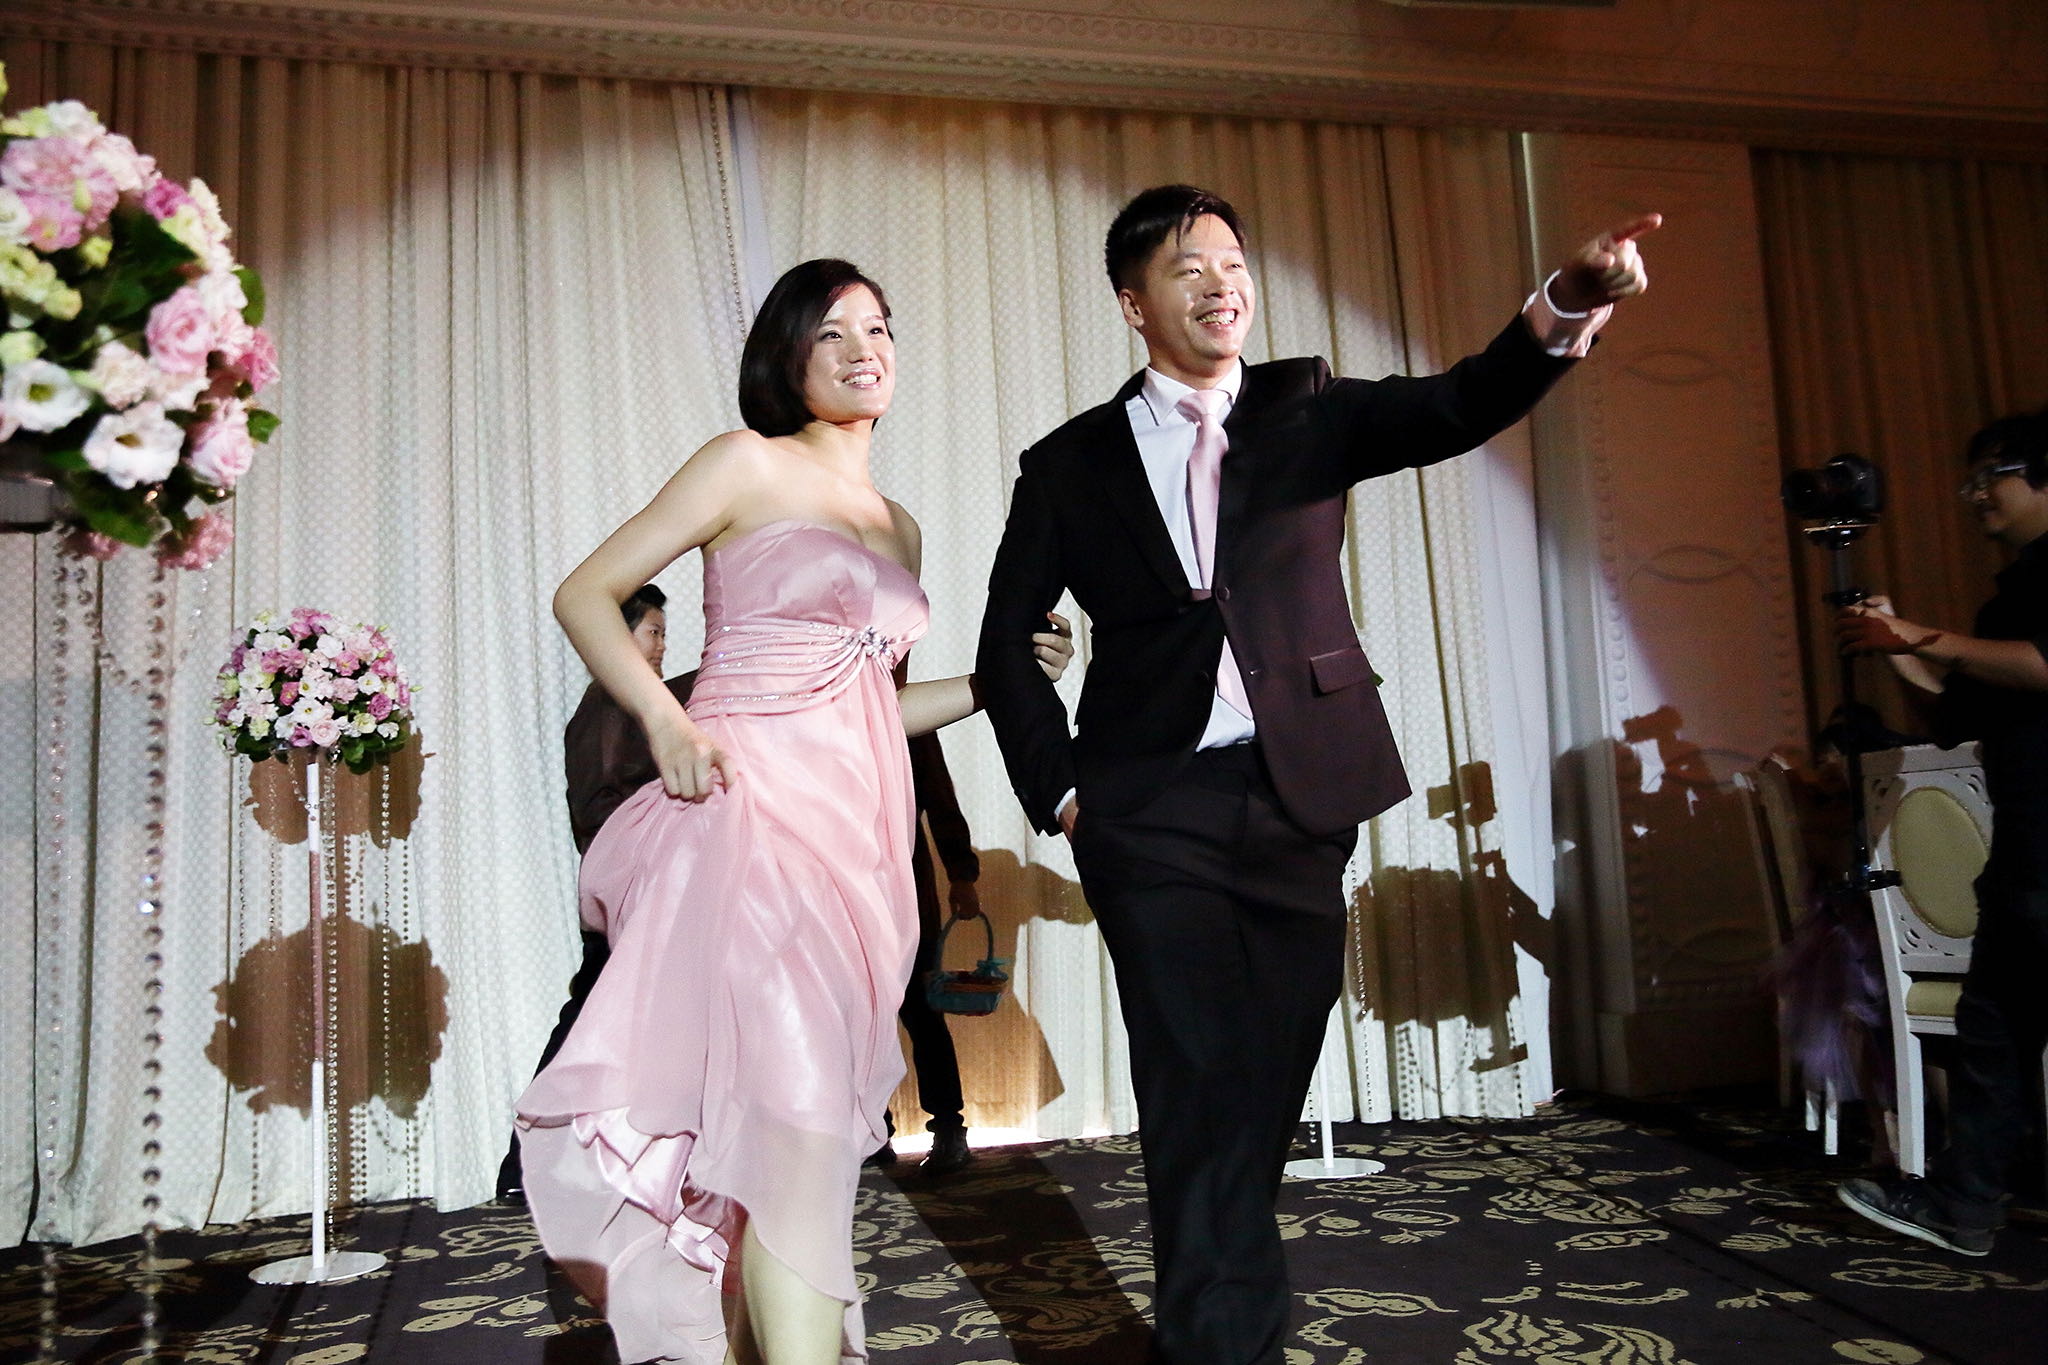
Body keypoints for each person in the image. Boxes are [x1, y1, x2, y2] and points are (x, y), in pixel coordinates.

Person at [975, 183, 1656, 1364]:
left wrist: (1565, 301)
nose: (1219, 284)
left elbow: (1461, 401)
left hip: (1300, 793)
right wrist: (1067, 797)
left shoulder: (1307, 409)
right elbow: (1003, 645)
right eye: (1187, 267)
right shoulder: (1069, 464)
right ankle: (1220, 1342)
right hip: (1150, 806)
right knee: (1192, 1075)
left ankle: (1219, 1304)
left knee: (1259, 1076)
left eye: (1231, 263)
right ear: (1133, 304)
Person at [516, 258, 1072, 1365]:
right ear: (787, 356)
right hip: (750, 824)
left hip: (858, 849)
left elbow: (871, 704)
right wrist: (666, 724)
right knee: (795, 1130)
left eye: (880, 327)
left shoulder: (899, 526)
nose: (866, 350)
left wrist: (994, 682)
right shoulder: (745, 463)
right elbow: (583, 591)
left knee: (800, 1138)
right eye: (833, 333)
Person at [1836, 407, 2048, 1257]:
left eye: (1992, 475)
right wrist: (1897, 647)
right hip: (2026, 837)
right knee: (1994, 1024)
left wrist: (1922, 635)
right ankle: (1970, 1201)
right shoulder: (2010, 594)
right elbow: (1953, 715)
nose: (1976, 495)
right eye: (1971, 481)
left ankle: (1969, 1199)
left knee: (1999, 1020)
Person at [497, 585, 697, 1205]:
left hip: (639, 894)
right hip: (629, 896)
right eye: (652, 632)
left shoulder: (639, 702)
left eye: (664, 633)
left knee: (602, 1026)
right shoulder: (612, 705)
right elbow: (600, 810)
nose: (661, 645)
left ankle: (548, 1167)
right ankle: (526, 1165)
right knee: (586, 1028)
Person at [870, 732, 983, 1176]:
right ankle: (873, 1130)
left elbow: (938, 797)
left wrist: (962, 874)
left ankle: (949, 1127)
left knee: (921, 1010)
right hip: (841, 888)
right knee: (858, 1016)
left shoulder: (904, 717)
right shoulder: (823, 706)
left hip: (905, 889)